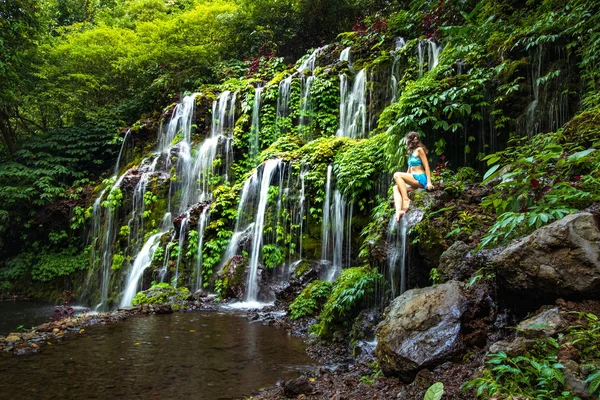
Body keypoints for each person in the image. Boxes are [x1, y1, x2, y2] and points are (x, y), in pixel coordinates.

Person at [393, 132, 434, 221]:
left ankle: (406, 199)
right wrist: (403, 183)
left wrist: (429, 182)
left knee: (396, 174)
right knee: (396, 188)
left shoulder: (420, 150)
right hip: (413, 179)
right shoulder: (411, 153)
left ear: (409, 140)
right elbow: (409, 171)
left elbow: (426, 166)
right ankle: (399, 211)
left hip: (420, 178)